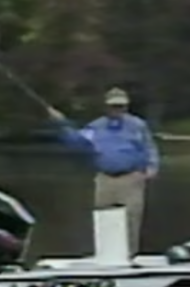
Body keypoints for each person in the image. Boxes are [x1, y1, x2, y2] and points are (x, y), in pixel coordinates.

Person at [46, 87, 159, 255]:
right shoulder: (96, 127)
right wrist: (61, 123)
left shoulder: (137, 125)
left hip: (131, 178)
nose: (117, 110)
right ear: (106, 107)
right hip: (104, 179)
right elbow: (77, 142)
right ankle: (108, 255)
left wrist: (152, 167)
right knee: (105, 218)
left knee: (131, 220)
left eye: (121, 106)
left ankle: (130, 256)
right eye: (114, 106)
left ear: (126, 107)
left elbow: (149, 147)